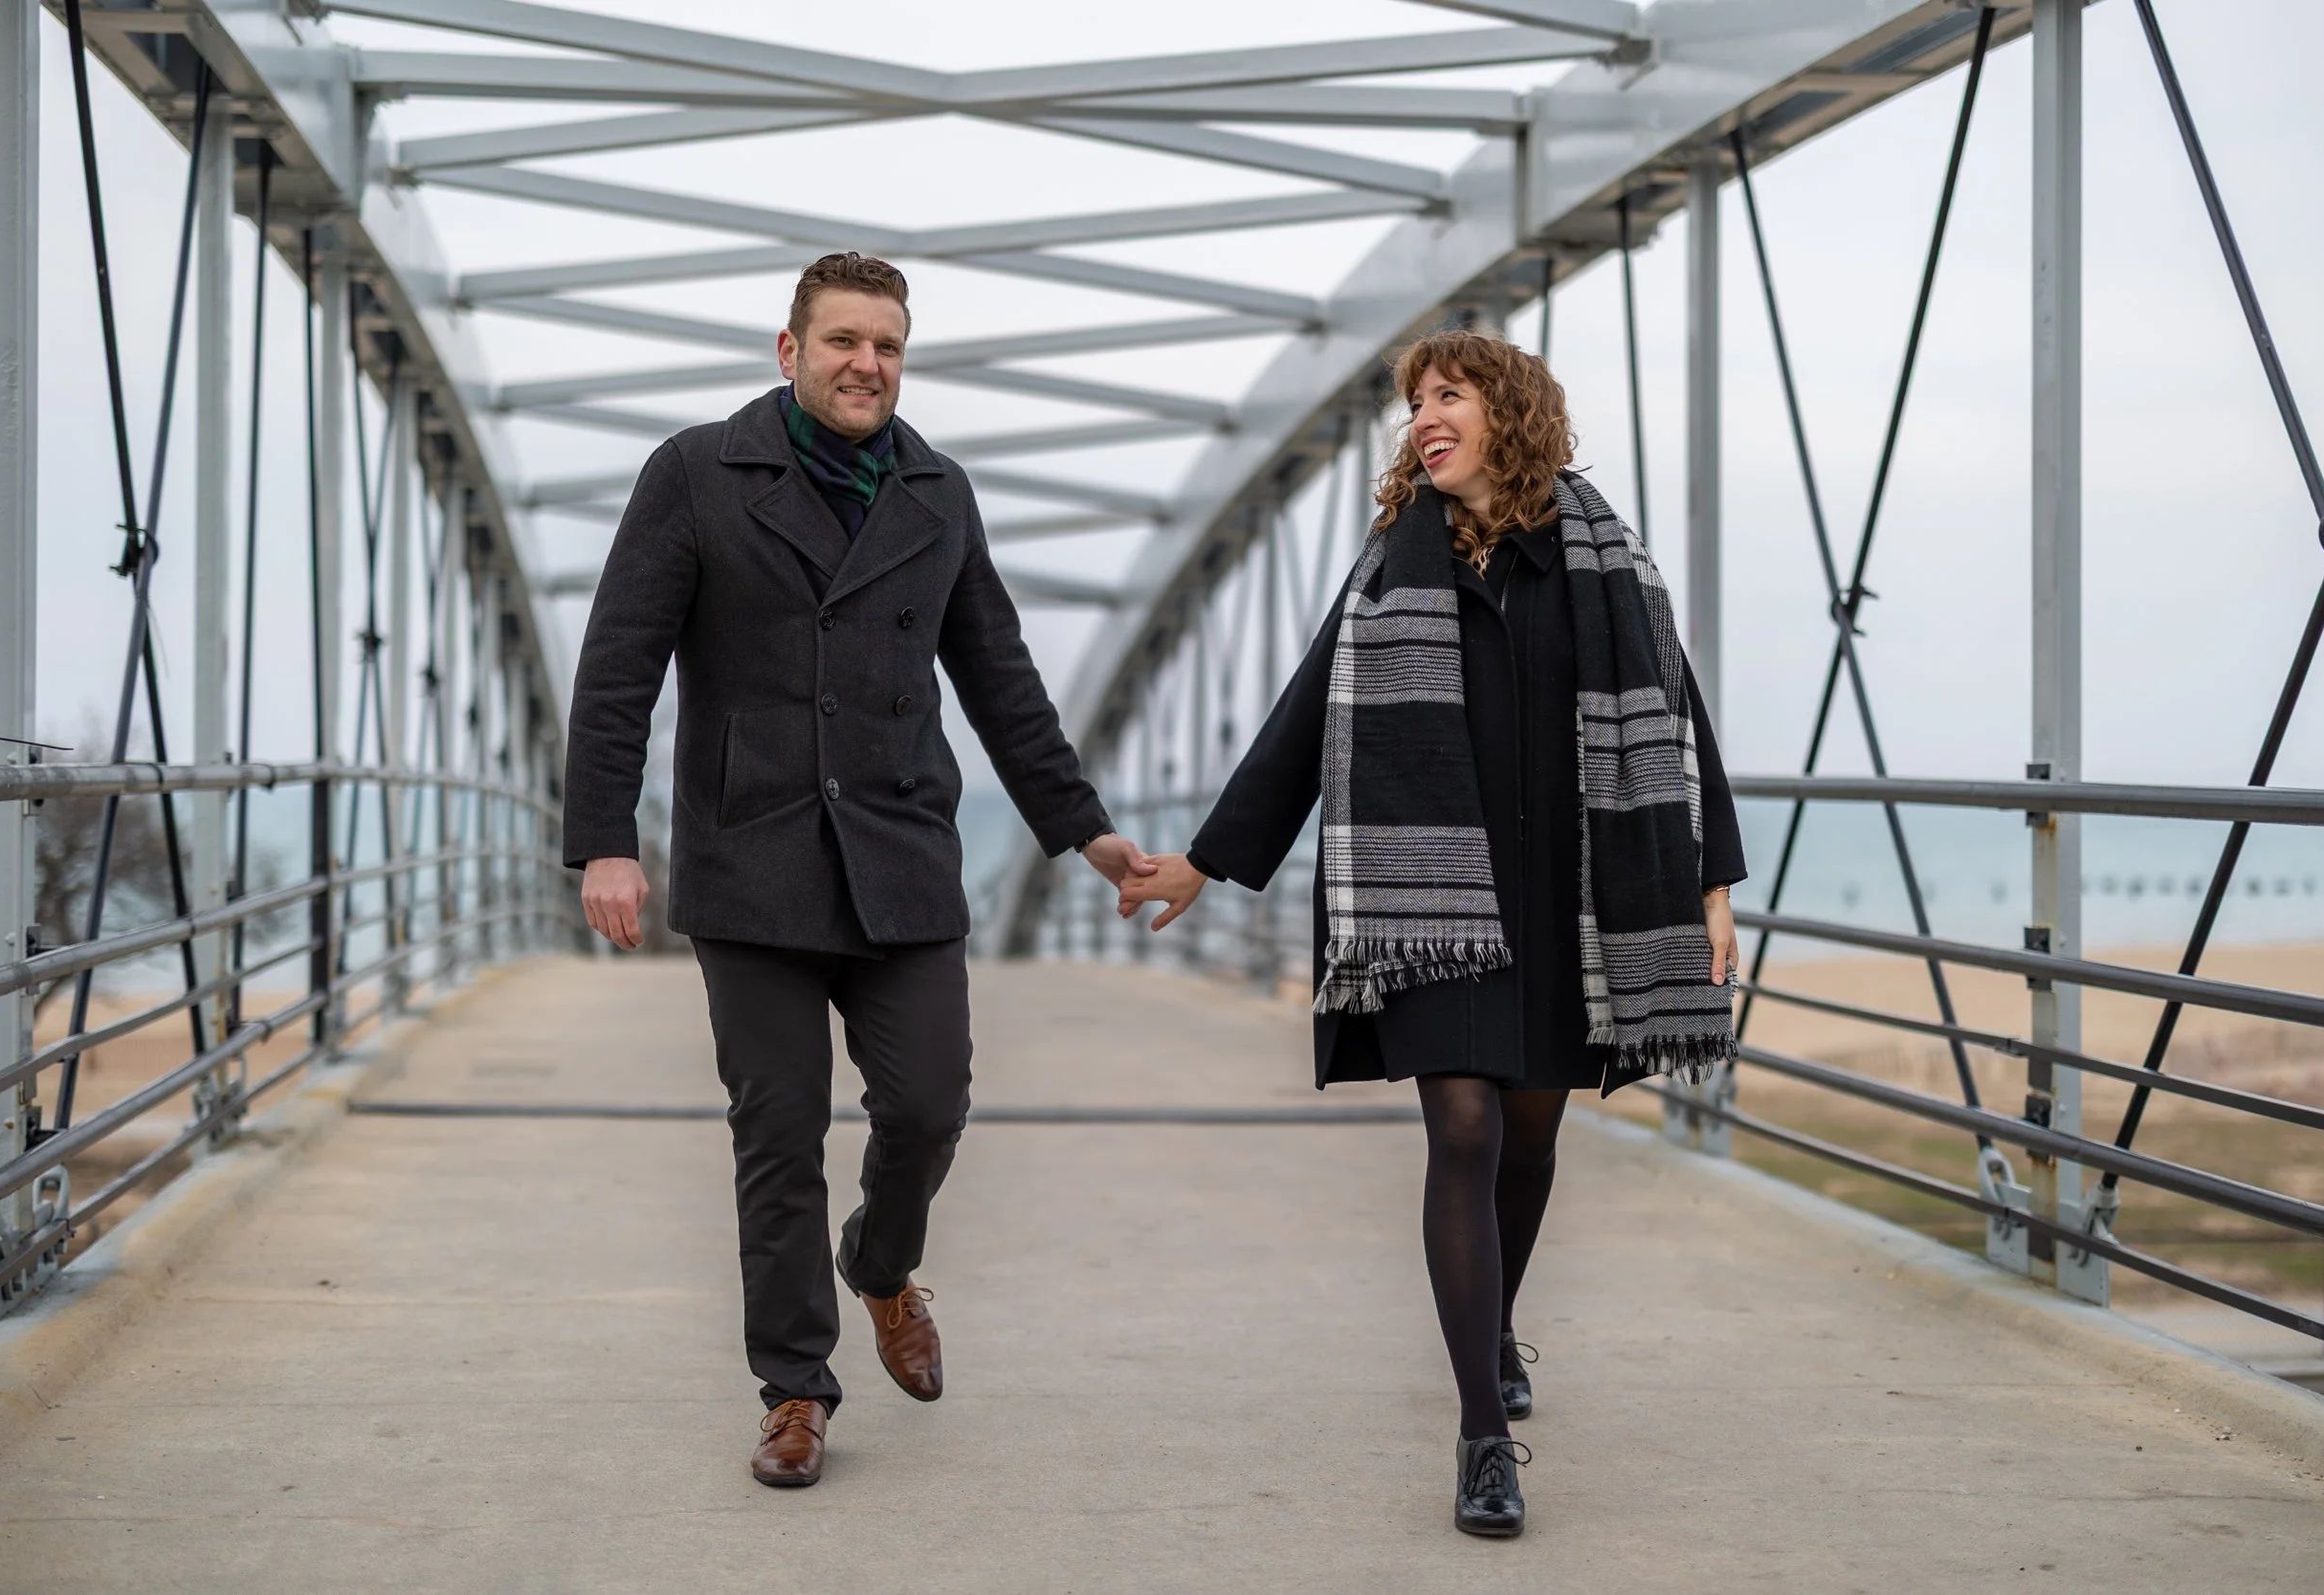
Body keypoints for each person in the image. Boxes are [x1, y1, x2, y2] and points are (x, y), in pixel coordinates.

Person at [1120, 329, 1745, 1539]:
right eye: (1414, 402)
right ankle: (1480, 1435)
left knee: (1526, 1136)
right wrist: (1205, 859)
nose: (1423, 418)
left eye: (1447, 395)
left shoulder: (1603, 561)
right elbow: (1309, 709)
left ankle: (1495, 1319)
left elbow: (1677, 715)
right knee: (1460, 1124)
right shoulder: (1390, 565)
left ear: (1508, 411)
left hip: (1566, 893)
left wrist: (1710, 876)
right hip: (1434, 902)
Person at [564, 252, 1152, 1490]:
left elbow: (999, 676)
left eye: (886, 344)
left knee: (930, 1102)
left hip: (898, 851)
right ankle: (794, 1386)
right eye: (841, 341)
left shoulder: (936, 490)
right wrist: (605, 837)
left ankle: (882, 1264)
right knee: (777, 1131)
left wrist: (1085, 829)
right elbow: (620, 664)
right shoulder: (698, 474)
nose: (865, 364)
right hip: (751, 857)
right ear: (791, 351)